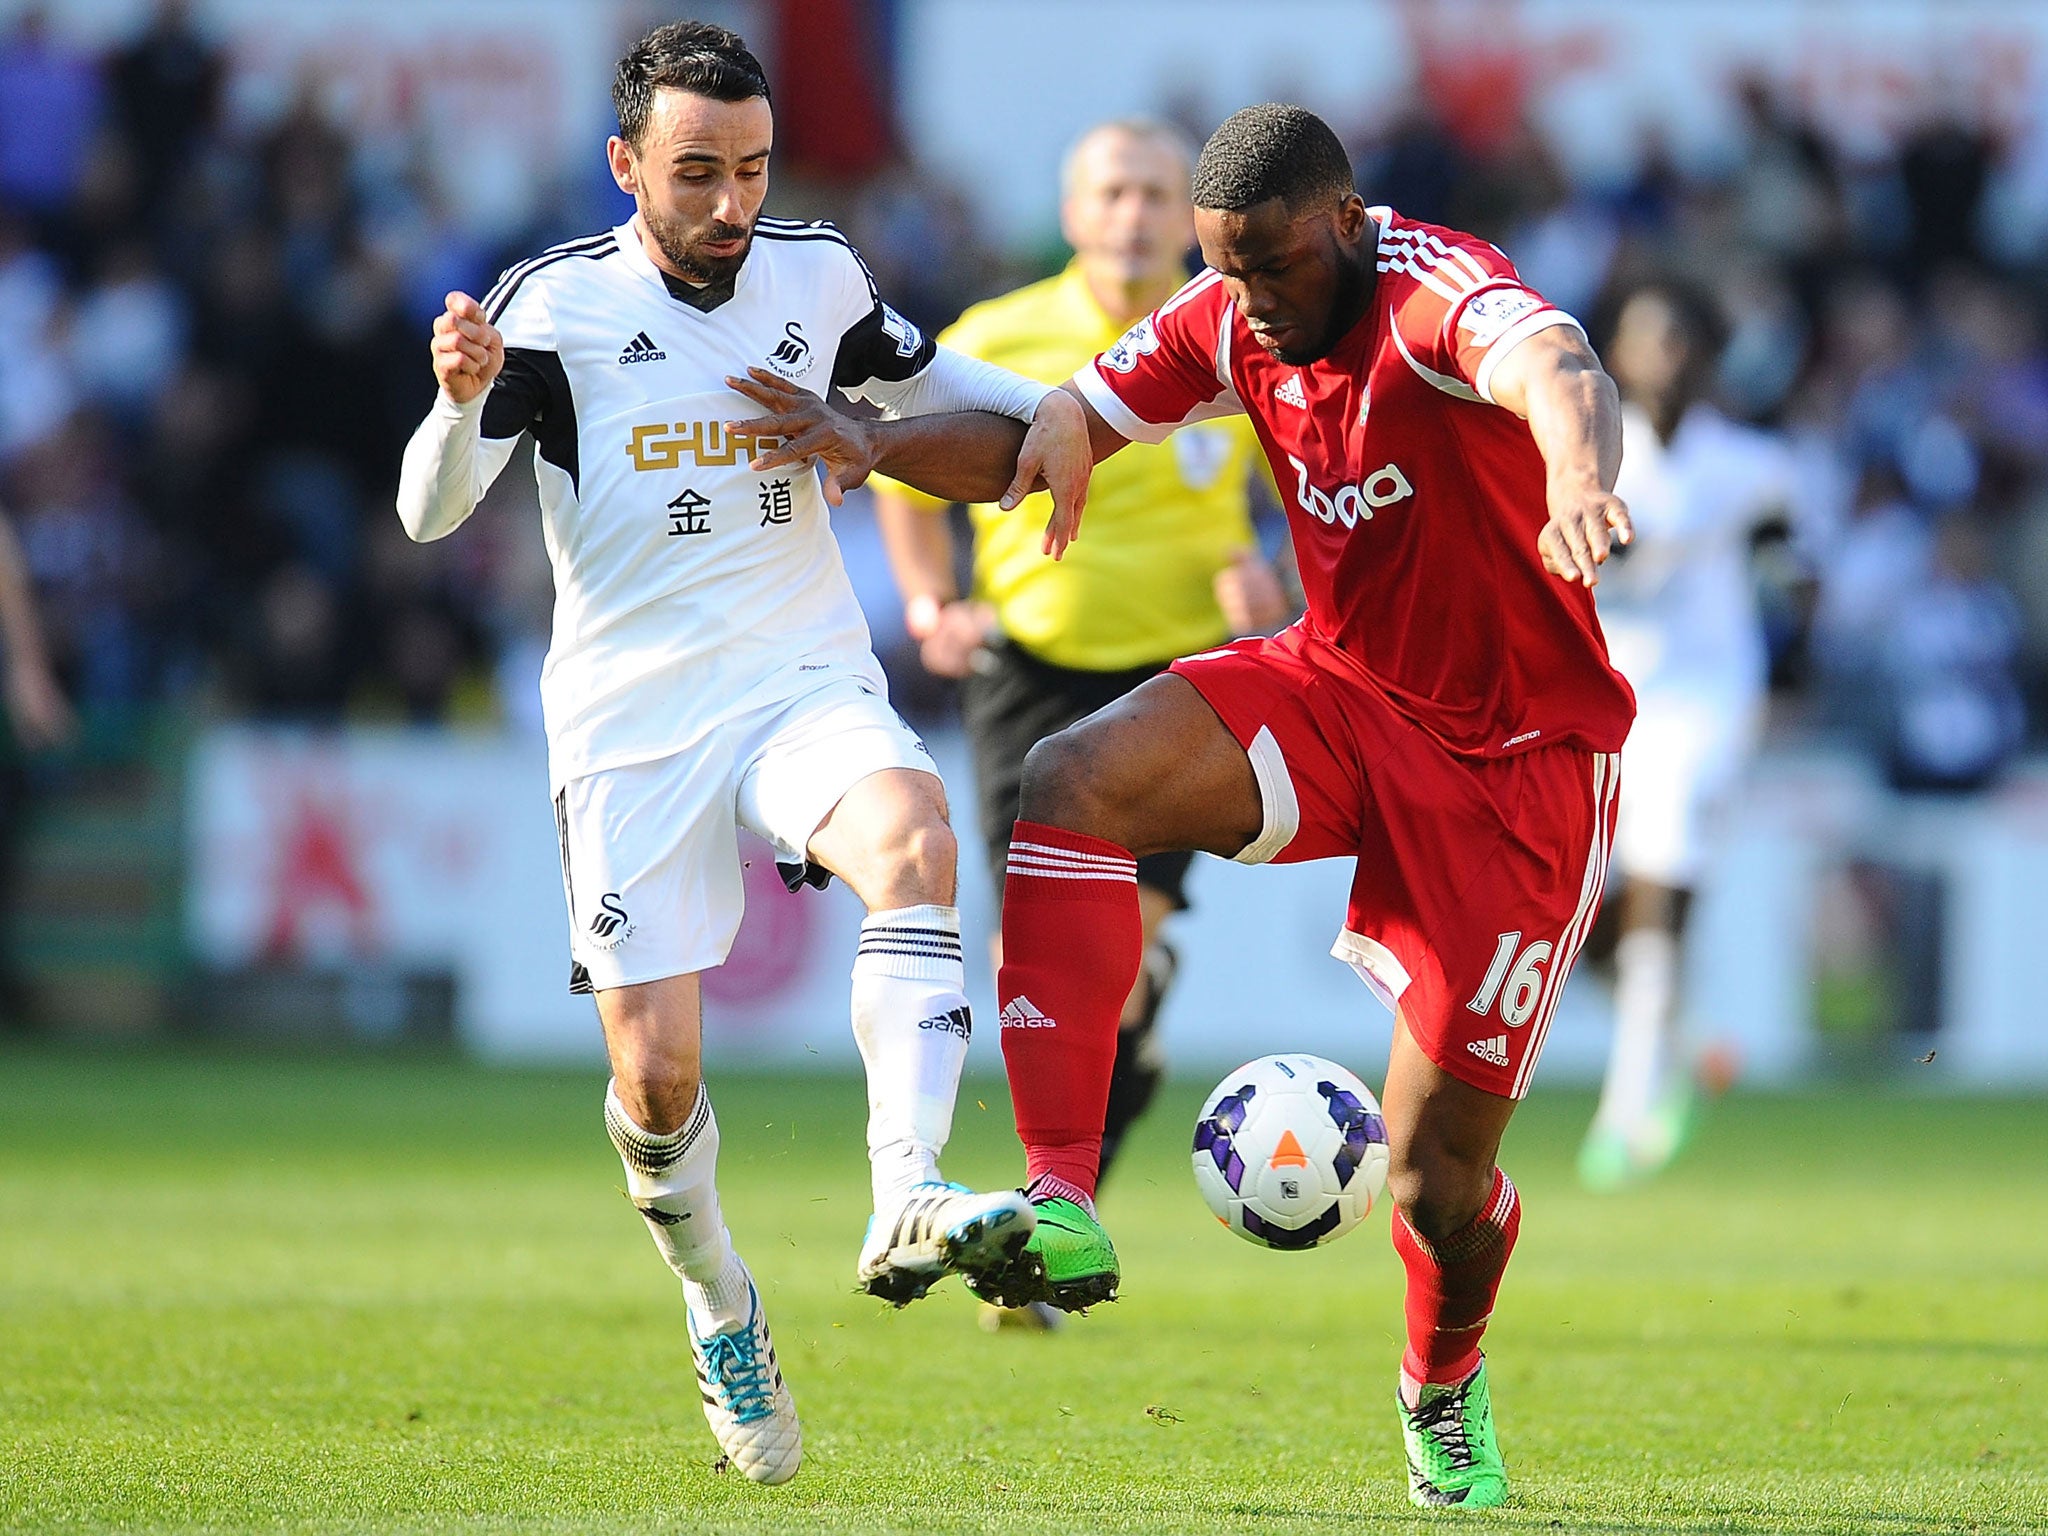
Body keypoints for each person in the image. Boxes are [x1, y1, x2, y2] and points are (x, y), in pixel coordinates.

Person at [729, 102, 1635, 1510]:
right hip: (1343, 693)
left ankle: (1440, 1386)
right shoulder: (1223, 320)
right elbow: (1050, 436)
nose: (1247, 301)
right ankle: (1060, 1195)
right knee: (1076, 780)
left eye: (1271, 268)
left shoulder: (1426, 293)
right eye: (1226, 267)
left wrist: (1576, 475)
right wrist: (870, 442)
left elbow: (1555, 361)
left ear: (1342, 224)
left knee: (1431, 1188)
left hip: (1522, 765)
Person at [394, 21, 1088, 1485]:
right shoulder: (555, 308)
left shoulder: (817, 275)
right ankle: (719, 1302)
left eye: (753, 171)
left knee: (915, 837)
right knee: (653, 1088)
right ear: (625, 164)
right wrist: (460, 402)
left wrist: (1076, 416)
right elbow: (430, 514)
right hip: (631, 720)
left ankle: (907, 1189)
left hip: (798, 681)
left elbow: (938, 383)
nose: (730, 205)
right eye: (697, 173)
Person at [869, 120, 1287, 1329]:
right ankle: (1052, 1213)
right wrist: (929, 601)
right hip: (1029, 674)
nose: (1136, 215)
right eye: (1113, 191)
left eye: (1157, 194)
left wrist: (1266, 577)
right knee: (1039, 973)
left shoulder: (1236, 334)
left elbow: (1294, 485)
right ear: (1071, 209)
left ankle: (1052, 1220)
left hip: (1173, 678)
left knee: (1123, 981)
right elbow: (904, 458)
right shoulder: (997, 339)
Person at [1579, 280, 1795, 1190]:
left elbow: (1793, 565)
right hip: (1607, 697)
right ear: (1613, 354)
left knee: (1662, 876)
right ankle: (1693, 1035)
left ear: (1704, 352)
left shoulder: (1750, 466)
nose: (1659, 355)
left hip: (1709, 694)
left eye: (1677, 337)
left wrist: (1790, 669)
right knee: (1583, 913)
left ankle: (1628, 1109)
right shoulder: (1581, 458)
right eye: (1641, 338)